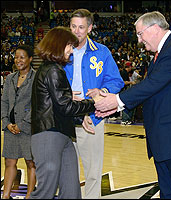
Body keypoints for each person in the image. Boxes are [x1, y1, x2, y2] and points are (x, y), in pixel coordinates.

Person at [95, 11, 171, 199]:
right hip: (166, 142)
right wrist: (117, 106)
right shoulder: (164, 52)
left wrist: (117, 100)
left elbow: (152, 84)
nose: (139, 40)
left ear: (155, 28)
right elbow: (153, 91)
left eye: (140, 34)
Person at [30, 26, 98, 199]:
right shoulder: (52, 70)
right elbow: (65, 106)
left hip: (62, 134)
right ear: (58, 44)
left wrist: (79, 116)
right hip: (48, 135)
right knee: (45, 192)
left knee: (71, 193)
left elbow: (59, 108)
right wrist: (92, 104)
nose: (71, 50)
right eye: (69, 45)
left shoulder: (52, 69)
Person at [63, 9, 124, 199]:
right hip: (64, 119)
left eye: (81, 27)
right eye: (73, 26)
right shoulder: (60, 51)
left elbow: (116, 81)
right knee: (65, 174)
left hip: (92, 119)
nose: (77, 31)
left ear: (89, 27)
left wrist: (102, 91)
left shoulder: (102, 52)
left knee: (93, 173)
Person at [1, 45, 36, 199]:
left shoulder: (37, 78)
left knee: (31, 163)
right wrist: (6, 122)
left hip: (28, 128)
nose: (18, 60)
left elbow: (37, 105)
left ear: (30, 59)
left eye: (22, 57)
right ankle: (5, 195)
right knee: (9, 162)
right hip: (10, 128)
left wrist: (22, 124)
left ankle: (29, 195)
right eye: (16, 57)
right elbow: (4, 102)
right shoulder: (10, 78)